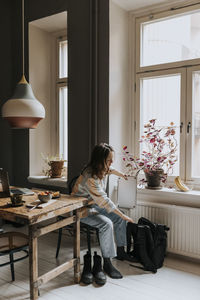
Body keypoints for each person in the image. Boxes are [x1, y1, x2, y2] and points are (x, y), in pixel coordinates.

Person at [71, 143, 135, 280]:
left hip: (93, 204)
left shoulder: (101, 168)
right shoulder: (90, 177)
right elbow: (105, 201)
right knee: (108, 223)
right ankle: (107, 263)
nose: (111, 163)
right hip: (80, 209)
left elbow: (110, 170)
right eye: (109, 160)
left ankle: (121, 251)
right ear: (100, 160)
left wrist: (122, 175)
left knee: (118, 217)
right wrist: (122, 215)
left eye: (112, 159)